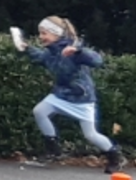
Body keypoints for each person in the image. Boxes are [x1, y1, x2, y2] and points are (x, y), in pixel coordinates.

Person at [18, 15, 124, 171]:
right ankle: (53, 150)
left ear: (56, 34)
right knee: (40, 111)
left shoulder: (73, 49)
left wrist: (78, 51)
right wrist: (27, 48)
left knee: (91, 135)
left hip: (82, 98)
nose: (41, 37)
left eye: (44, 33)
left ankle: (115, 157)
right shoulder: (50, 52)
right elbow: (41, 58)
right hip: (60, 94)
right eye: (40, 33)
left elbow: (97, 60)